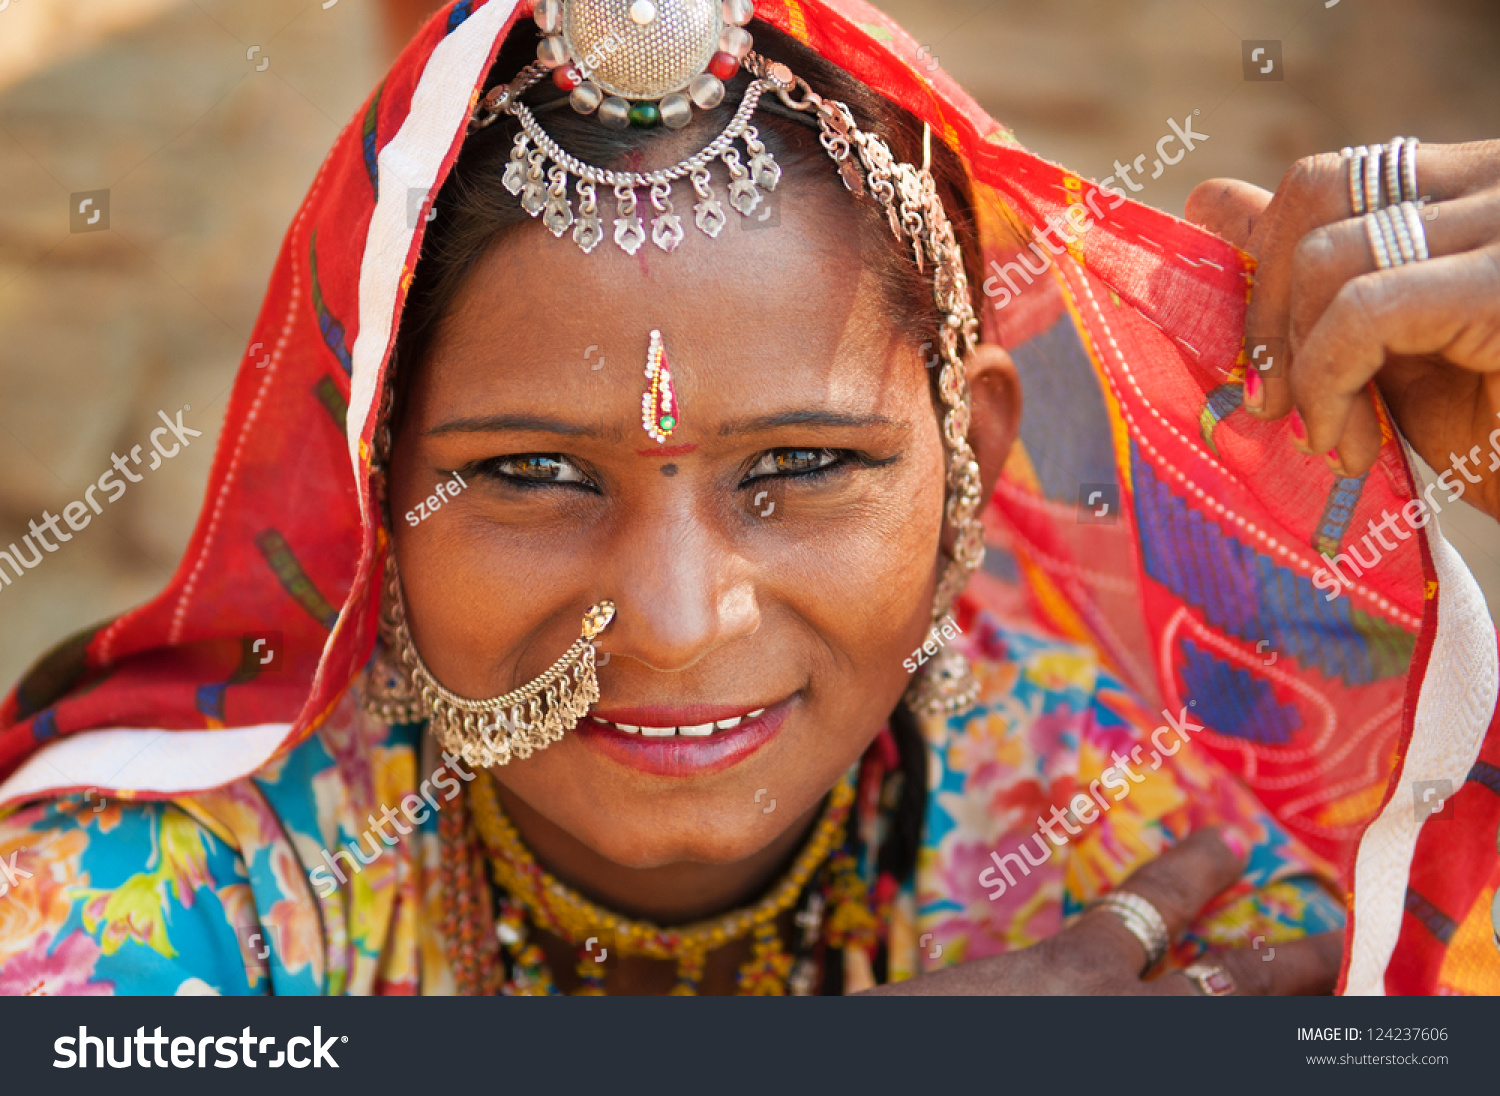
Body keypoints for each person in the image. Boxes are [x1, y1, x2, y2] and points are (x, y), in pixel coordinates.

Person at [0, 0, 1494, 996]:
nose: (668, 622)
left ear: (967, 459)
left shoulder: (1161, 839)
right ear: (368, 494)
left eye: (802, 468)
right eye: (529, 474)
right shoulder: (143, 907)